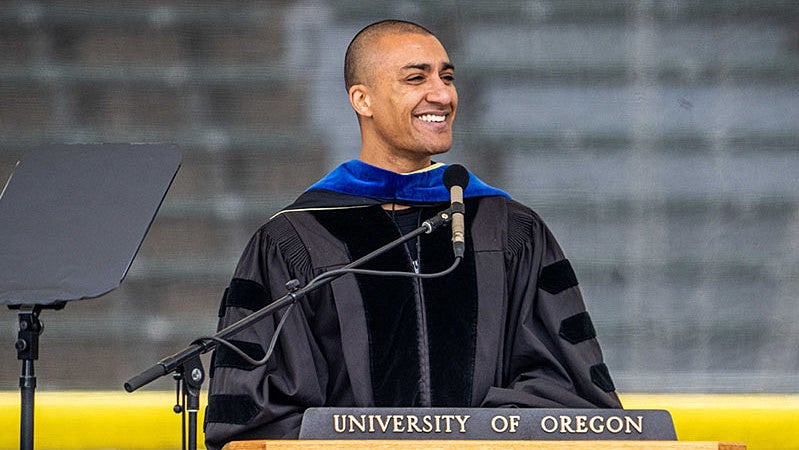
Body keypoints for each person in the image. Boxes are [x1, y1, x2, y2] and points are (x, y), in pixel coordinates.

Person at [204, 19, 622, 449]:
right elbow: (255, 419)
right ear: (362, 99)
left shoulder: (509, 230)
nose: (441, 94)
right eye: (416, 78)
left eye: (447, 77)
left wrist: (479, 437)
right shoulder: (294, 240)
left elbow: (568, 389)